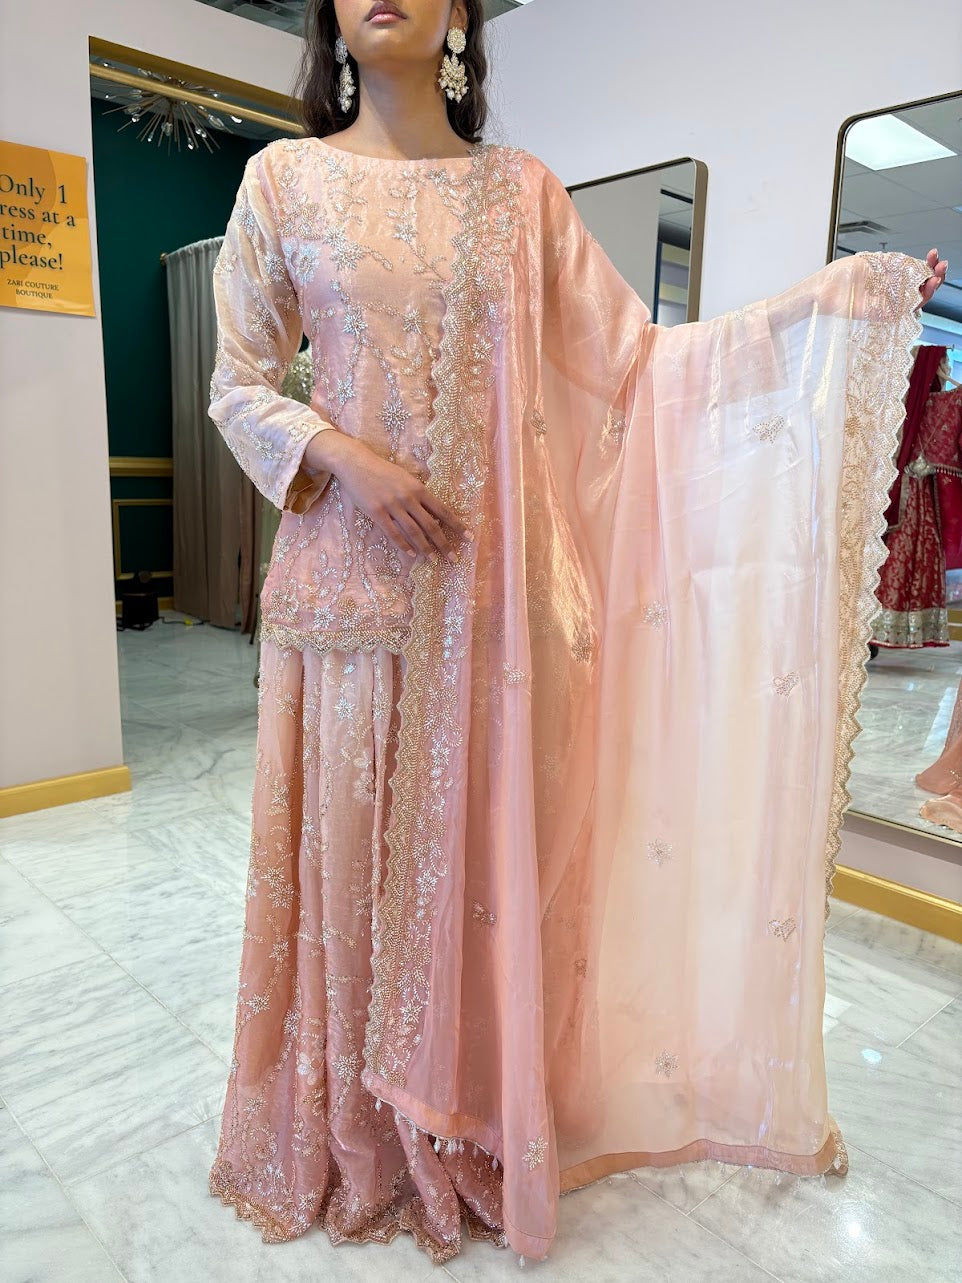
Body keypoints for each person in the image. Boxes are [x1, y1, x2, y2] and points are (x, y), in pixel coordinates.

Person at [205, 0, 948, 1266]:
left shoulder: (521, 194)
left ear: (458, 14)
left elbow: (639, 367)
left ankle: (461, 1117)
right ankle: (356, 1130)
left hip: (490, 613)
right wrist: (340, 455)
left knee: (474, 886)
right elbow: (236, 381)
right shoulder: (282, 180)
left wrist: (839, 303)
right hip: (342, 603)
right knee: (347, 874)